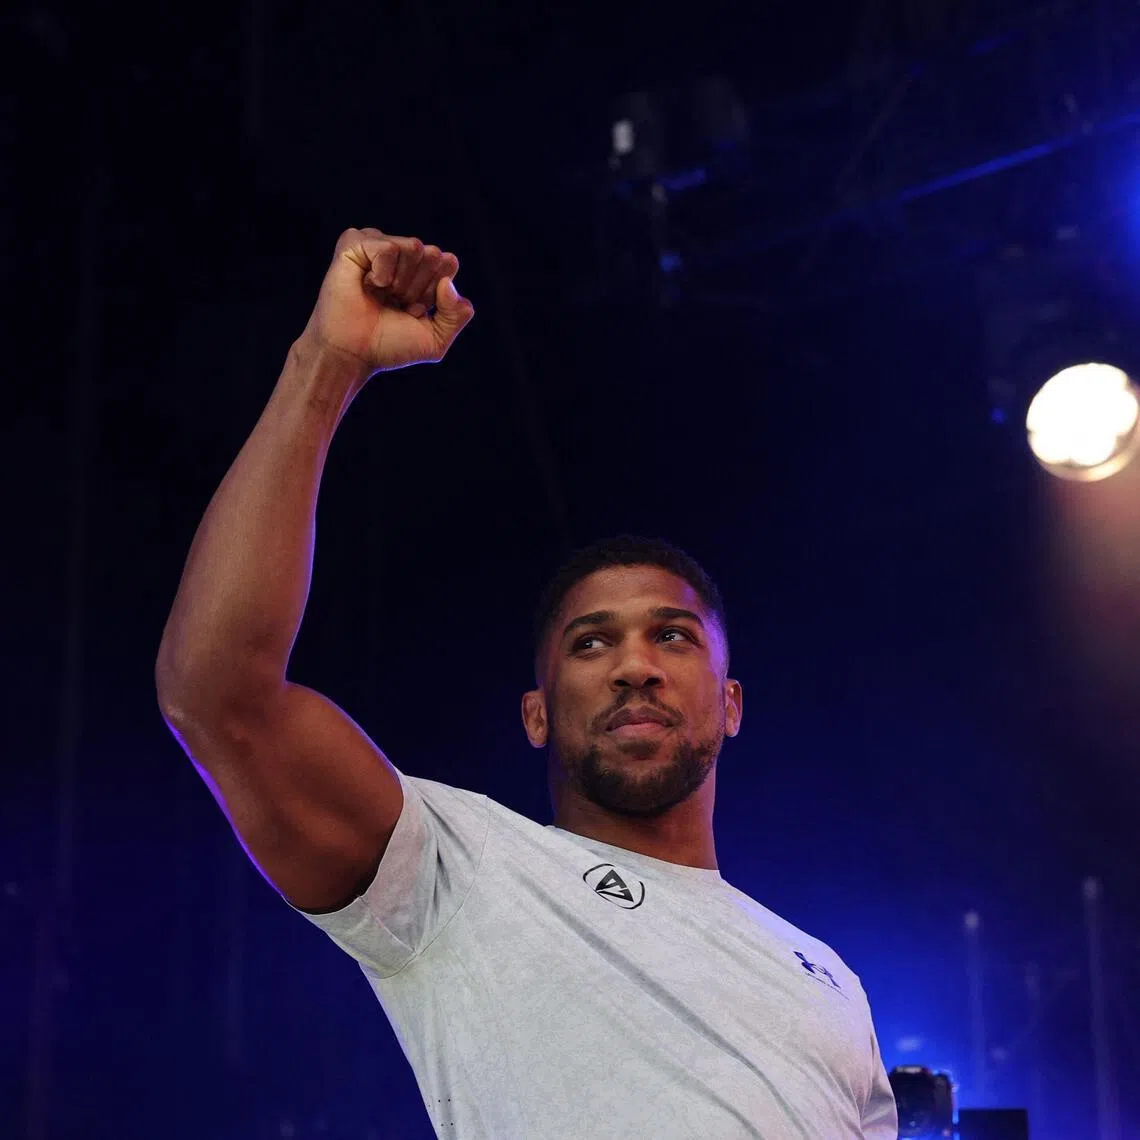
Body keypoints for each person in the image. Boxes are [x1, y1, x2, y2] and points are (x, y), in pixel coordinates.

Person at [156, 227, 898, 1139]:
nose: (634, 665)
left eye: (671, 636)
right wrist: (328, 363)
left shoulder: (829, 982)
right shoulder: (459, 867)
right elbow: (218, 696)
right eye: (591, 644)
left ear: (731, 703)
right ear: (536, 716)